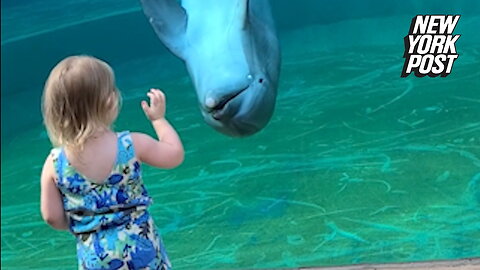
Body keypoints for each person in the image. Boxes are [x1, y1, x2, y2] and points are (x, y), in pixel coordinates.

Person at [40, 55, 184, 269]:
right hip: (140, 244)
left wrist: (84, 225)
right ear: (109, 101)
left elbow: (51, 217)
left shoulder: (54, 163)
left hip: (94, 253)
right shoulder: (131, 144)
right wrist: (159, 120)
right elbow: (174, 155)